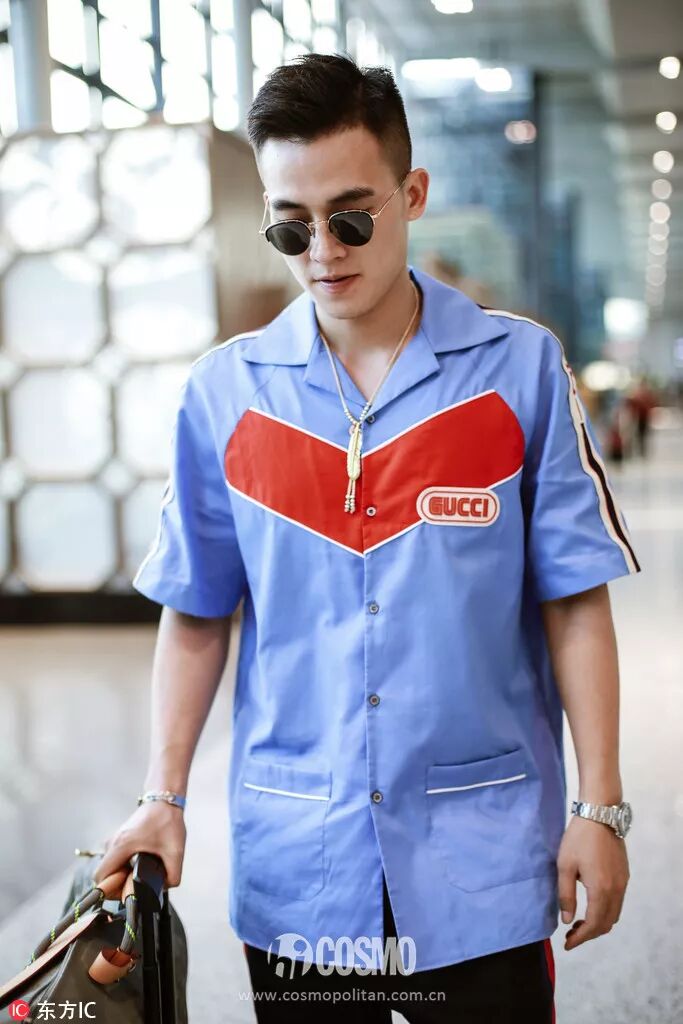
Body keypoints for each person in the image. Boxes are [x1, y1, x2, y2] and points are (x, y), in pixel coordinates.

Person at [93, 53, 640, 1023]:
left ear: (411, 194)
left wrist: (598, 809)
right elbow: (197, 612)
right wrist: (161, 795)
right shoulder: (226, 395)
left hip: (481, 853)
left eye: (350, 218)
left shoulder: (516, 373)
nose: (321, 253)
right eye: (289, 225)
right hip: (299, 858)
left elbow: (572, 601)